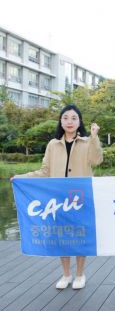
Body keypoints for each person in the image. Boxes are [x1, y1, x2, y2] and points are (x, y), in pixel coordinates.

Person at [12, 104, 103, 290]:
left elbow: (96, 160)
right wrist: (20, 178)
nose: (69, 121)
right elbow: (44, 171)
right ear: (60, 121)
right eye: (65, 118)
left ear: (79, 122)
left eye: (74, 118)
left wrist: (94, 137)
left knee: (79, 235)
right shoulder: (53, 144)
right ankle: (66, 274)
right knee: (61, 236)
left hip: (80, 198)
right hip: (58, 199)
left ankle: (79, 274)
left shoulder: (87, 142)